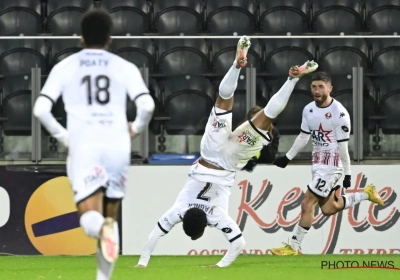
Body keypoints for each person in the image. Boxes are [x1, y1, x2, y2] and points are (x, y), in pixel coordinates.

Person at [134, 36, 318, 268]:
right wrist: (142, 262)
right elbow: (154, 236)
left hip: (230, 160)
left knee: (267, 117)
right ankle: (236, 65)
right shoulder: (178, 210)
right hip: (209, 154)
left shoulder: (213, 216)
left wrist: (218, 266)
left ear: (202, 229)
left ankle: (291, 79)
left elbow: (239, 244)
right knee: (223, 101)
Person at [33, 9, 155, 280]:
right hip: (118, 145)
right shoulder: (125, 67)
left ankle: (100, 229)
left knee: (92, 218)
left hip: (85, 145)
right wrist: (135, 128)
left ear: (81, 38)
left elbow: (41, 109)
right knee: (110, 215)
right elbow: (146, 104)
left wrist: (65, 137)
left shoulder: (66, 66)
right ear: (110, 39)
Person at [270, 72, 384, 256]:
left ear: (330, 88)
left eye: (321, 86)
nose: (317, 90)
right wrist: (288, 157)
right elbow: (303, 136)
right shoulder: (308, 109)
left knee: (307, 202)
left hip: (333, 163)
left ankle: (293, 246)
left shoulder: (340, 114)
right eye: (314, 87)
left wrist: (348, 174)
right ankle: (366, 194)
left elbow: (343, 147)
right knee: (329, 208)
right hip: (317, 162)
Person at [241, 106, 280, 172]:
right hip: (244, 169)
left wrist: (263, 135)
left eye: (260, 120)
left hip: (265, 169)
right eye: (254, 121)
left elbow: (270, 158)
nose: (258, 123)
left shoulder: (273, 132)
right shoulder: (242, 130)